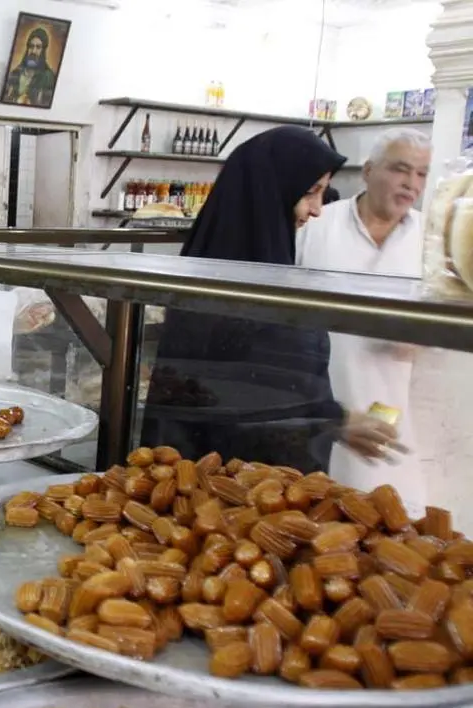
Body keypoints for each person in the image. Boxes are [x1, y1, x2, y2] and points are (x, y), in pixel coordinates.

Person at [140, 126, 401, 473]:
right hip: (227, 472)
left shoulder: (239, 255)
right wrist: (332, 417)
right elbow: (244, 387)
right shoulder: (236, 270)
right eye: (311, 192)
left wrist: (329, 417)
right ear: (270, 192)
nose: (317, 209)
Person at [296, 129, 431, 514]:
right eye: (401, 169)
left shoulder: (430, 240)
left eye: (422, 174)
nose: (412, 183)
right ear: (368, 171)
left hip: (395, 416)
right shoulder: (317, 225)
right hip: (318, 409)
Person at [2, 27, 58, 107]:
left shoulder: (48, 77)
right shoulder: (16, 73)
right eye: (31, 46)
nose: (33, 51)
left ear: (43, 51)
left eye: (38, 47)